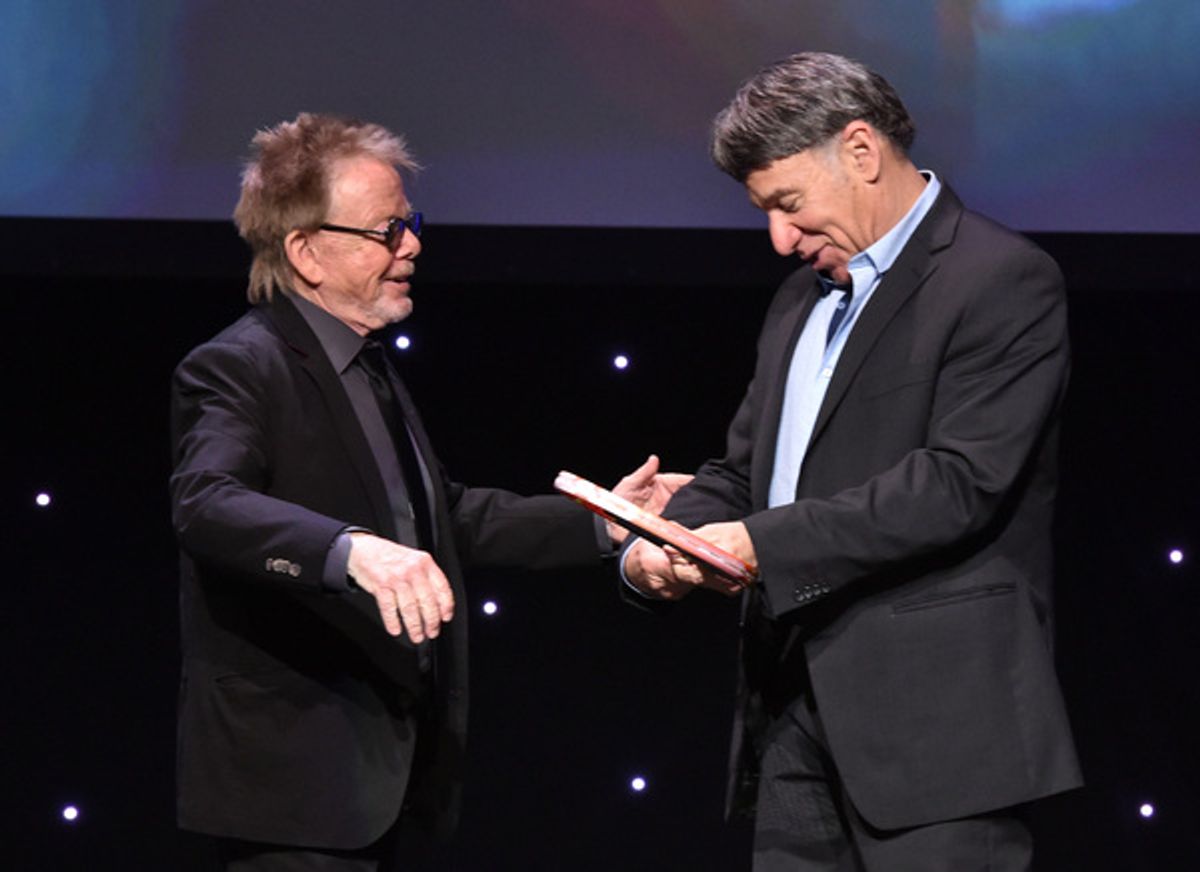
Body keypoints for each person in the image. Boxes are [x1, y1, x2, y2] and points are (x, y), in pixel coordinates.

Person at [170, 112, 683, 870]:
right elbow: (206, 502)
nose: (412, 245)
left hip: (377, 785)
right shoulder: (240, 365)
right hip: (292, 798)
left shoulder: (365, 364)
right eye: (387, 231)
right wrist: (350, 553)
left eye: (410, 223)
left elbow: (443, 518)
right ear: (307, 252)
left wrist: (611, 522)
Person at [623, 52, 1082, 871]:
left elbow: (956, 485)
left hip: (939, 730)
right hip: (793, 712)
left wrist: (756, 544)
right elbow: (743, 474)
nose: (779, 238)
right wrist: (661, 545)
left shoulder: (1000, 279)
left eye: (788, 204)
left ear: (862, 152)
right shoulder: (800, 298)